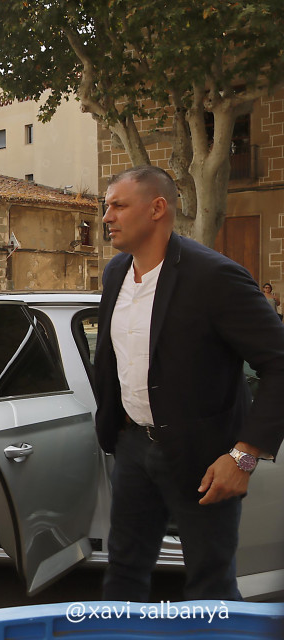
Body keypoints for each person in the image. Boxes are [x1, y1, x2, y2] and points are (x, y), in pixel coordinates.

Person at [95, 165, 284, 601]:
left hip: (205, 457)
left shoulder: (214, 277)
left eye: (118, 206)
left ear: (157, 208)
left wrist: (244, 457)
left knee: (210, 584)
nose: (107, 217)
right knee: (123, 569)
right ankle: (120, 633)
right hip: (133, 446)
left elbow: (279, 363)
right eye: (106, 207)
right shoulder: (115, 273)